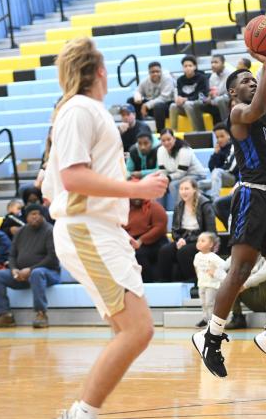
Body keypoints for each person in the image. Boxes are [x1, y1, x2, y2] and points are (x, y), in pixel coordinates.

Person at [40, 36, 168, 419]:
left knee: (127, 329)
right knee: (137, 329)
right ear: (99, 71)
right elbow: (73, 179)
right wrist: (135, 190)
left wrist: (111, 220)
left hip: (96, 229)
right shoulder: (79, 110)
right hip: (85, 230)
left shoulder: (80, 111)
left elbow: (52, 191)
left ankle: (82, 411)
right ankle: (80, 413)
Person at [192, 21, 266, 378]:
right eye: (245, 81)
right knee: (239, 270)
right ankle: (211, 336)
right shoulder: (239, 115)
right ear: (231, 93)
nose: (252, 82)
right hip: (251, 198)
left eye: (254, 79)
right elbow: (254, 111)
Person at [0, 204, 60, 329]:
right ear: (26, 217)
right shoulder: (21, 232)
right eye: (32, 214)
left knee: (37, 273)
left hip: (49, 273)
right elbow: (11, 256)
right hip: (22, 274)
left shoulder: (50, 230)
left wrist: (30, 270)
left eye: (38, 214)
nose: (35, 217)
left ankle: (41, 314)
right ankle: (5, 315)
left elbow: (52, 259)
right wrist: (14, 269)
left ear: (43, 216)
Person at [158, 177, 215, 283]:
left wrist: (187, 240)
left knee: (184, 252)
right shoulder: (179, 206)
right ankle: (164, 282)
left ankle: (193, 281)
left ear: (194, 189)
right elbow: (175, 229)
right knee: (165, 251)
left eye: (187, 189)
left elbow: (210, 231)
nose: (183, 192)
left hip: (201, 239)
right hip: (183, 239)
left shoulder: (204, 204)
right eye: (181, 189)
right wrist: (179, 239)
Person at [156, 128, 208, 210]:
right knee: (160, 184)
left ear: (174, 138)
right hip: (177, 176)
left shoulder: (184, 150)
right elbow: (163, 171)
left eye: (168, 139)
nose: (166, 142)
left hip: (196, 175)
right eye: (163, 140)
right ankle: (160, 210)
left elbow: (181, 173)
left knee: (174, 185)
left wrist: (168, 178)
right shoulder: (160, 150)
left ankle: (180, 209)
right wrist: (163, 179)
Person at [125, 192, 168, 283]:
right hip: (131, 240)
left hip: (155, 240)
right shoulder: (125, 208)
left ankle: (148, 282)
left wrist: (142, 240)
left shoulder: (154, 207)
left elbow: (160, 226)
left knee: (139, 253)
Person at [223, 255, 266, 330]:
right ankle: (237, 317)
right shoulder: (245, 251)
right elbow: (223, 267)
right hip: (250, 297)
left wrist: (245, 284)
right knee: (231, 277)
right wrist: (236, 255)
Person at [129, 61, 176, 131]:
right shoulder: (145, 81)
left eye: (157, 71)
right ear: (149, 73)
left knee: (158, 106)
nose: (155, 74)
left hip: (166, 106)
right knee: (131, 101)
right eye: (153, 72)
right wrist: (137, 96)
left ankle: (160, 132)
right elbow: (137, 91)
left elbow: (164, 98)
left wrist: (146, 105)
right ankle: (137, 129)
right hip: (151, 106)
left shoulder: (167, 79)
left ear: (161, 71)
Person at [193, 232, 226, 328]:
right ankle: (205, 318)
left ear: (211, 244)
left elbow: (224, 265)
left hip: (212, 284)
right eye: (198, 240)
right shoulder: (197, 256)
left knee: (210, 303)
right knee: (203, 303)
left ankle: (213, 321)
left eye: (203, 241)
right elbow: (196, 267)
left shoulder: (213, 257)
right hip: (202, 283)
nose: (199, 242)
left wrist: (215, 271)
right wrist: (199, 278)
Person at [169, 55, 209, 132]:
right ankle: (173, 131)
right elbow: (180, 94)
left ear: (195, 67)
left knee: (188, 104)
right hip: (185, 105)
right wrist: (179, 99)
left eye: (190, 65)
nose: (187, 68)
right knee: (173, 106)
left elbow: (202, 95)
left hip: (199, 104)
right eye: (185, 66)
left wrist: (186, 99)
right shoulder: (180, 80)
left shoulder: (202, 78)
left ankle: (196, 131)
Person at [193, 54, 233, 128]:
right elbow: (212, 92)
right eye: (212, 63)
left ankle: (228, 127)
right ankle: (200, 131)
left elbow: (231, 94)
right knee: (196, 104)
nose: (213, 65)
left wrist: (214, 99)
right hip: (215, 101)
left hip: (228, 100)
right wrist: (209, 98)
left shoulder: (230, 73)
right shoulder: (213, 76)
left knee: (220, 100)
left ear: (223, 63)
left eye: (216, 62)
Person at [208, 123, 236, 200]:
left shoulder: (234, 146)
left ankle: (214, 200)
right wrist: (215, 154)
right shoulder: (219, 149)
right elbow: (211, 168)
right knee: (199, 184)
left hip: (233, 178)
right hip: (220, 177)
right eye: (217, 137)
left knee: (217, 172)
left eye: (222, 136)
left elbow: (231, 168)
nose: (219, 139)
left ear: (229, 135)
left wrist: (218, 169)